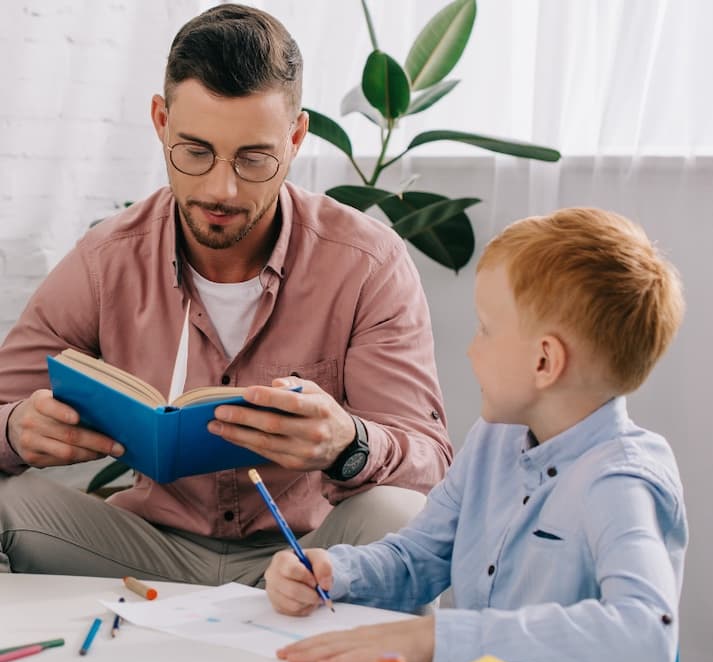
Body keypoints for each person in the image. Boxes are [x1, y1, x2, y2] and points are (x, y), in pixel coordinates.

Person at [0, 4, 453, 584]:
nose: (221, 187)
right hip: (146, 551)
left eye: (254, 158)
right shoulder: (105, 259)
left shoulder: (367, 263)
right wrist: (18, 430)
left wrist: (349, 443)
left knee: (402, 514)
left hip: (307, 554)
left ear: (294, 138)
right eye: (195, 151)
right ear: (161, 121)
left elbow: (430, 465)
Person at [265, 207, 688, 662]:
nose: (471, 348)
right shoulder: (495, 439)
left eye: (486, 329)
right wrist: (336, 572)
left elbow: (646, 634)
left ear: (544, 361)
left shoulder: (620, 480)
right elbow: (418, 557)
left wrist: (437, 639)